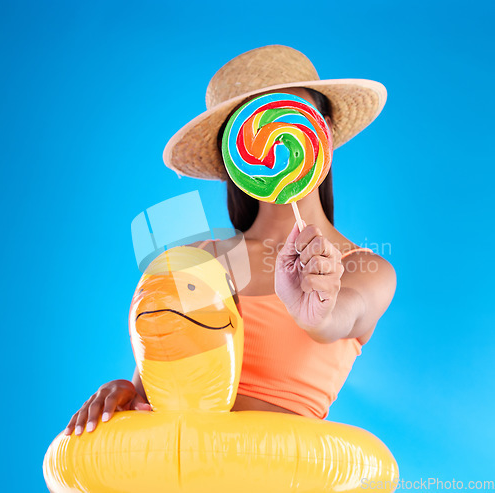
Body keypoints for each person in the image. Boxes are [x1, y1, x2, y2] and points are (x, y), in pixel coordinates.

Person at [65, 45, 396, 435]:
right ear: (232, 154)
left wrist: (318, 311)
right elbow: (154, 386)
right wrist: (124, 391)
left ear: (323, 130)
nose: (274, 136)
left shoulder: (363, 269)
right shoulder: (191, 260)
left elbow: (340, 316)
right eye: (254, 123)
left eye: (288, 114)